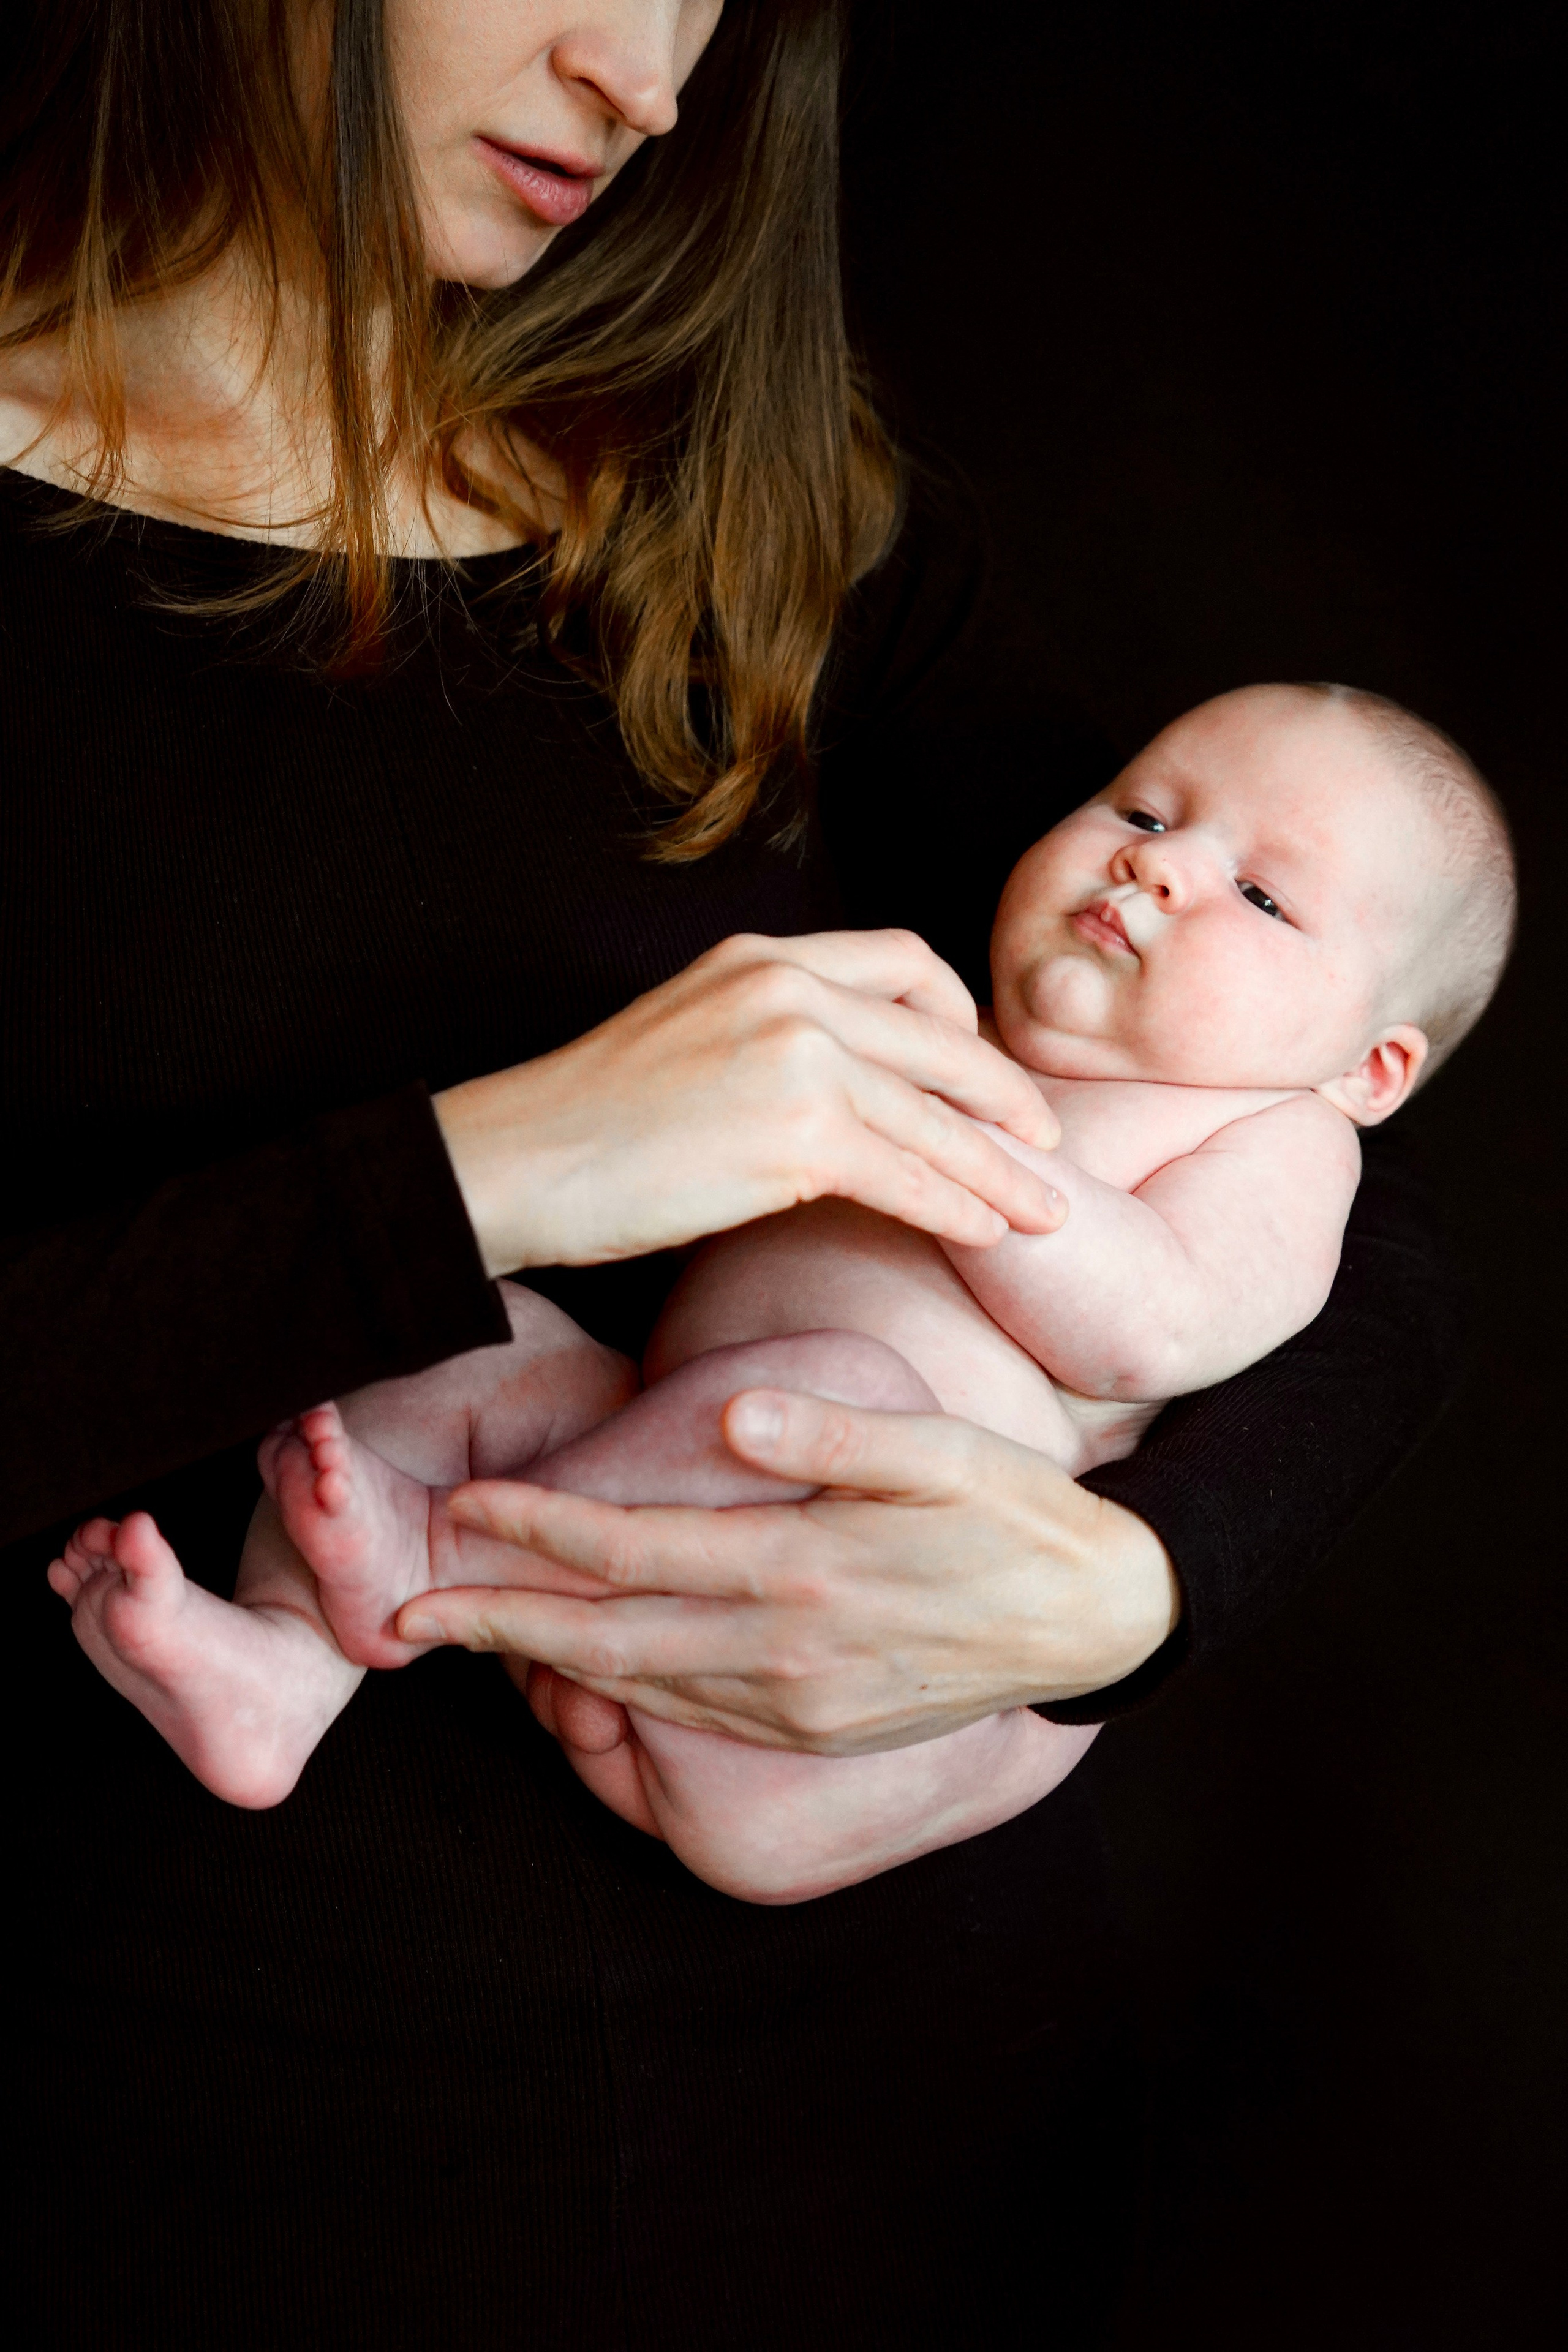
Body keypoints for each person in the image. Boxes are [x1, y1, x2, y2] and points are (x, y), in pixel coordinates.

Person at [0, 6, 1462, 2344]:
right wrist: (483, 1172)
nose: (652, 78)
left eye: (714, 0)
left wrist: (1118, 1599)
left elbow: (1313, 1145)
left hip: (896, 2157)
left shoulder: (742, 502)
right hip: (183, 2180)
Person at [47, 680, 1514, 1910]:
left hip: (835, 1702)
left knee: (846, 1406)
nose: (1153, 868)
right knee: (468, 1324)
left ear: (1364, 1065)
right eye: (1139, 813)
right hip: (643, 1500)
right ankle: (282, 1673)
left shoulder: (1274, 1138)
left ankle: (428, 1559)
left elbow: (1161, 1325)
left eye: (1258, 894)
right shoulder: (937, 1007)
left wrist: (976, 1154)